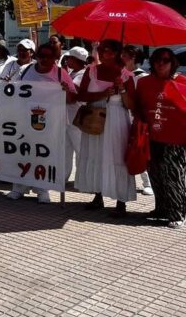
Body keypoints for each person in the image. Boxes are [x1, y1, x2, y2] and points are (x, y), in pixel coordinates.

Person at [6, 43, 76, 204]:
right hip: (26, 121)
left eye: (49, 56)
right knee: (23, 154)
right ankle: (19, 187)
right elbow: (15, 92)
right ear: (36, 56)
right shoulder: (26, 71)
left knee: (45, 157)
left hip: (51, 124)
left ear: (55, 58)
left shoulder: (60, 73)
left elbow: (73, 99)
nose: (44, 59)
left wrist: (65, 91)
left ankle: (42, 190)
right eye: (41, 55)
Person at [75, 39, 136, 216]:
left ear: (117, 53)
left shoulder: (126, 76)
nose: (102, 53)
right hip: (94, 118)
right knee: (95, 154)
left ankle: (121, 200)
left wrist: (122, 89)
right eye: (100, 49)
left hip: (116, 120)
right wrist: (102, 93)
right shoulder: (91, 71)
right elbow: (82, 95)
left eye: (107, 50)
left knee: (117, 157)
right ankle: (97, 194)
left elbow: (131, 105)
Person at [134, 48, 186, 229]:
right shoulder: (144, 83)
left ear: (173, 63)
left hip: (176, 139)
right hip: (151, 137)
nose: (161, 63)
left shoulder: (182, 82)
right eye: (157, 59)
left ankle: (177, 212)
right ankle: (162, 208)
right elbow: (137, 106)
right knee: (156, 175)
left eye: (165, 60)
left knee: (173, 176)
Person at [122, 44, 154, 196]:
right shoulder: (122, 75)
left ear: (133, 58)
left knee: (139, 149)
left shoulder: (141, 76)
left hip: (137, 118)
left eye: (124, 55)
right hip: (123, 115)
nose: (121, 58)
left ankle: (148, 183)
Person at [64, 46, 89, 181]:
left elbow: (72, 97)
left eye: (70, 58)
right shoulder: (72, 73)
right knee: (66, 149)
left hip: (77, 118)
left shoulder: (82, 74)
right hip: (67, 118)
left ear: (77, 59)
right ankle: (63, 177)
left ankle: (82, 179)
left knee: (80, 150)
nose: (67, 60)